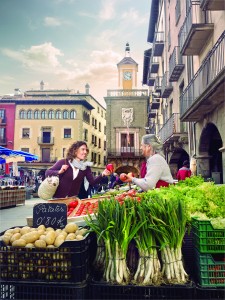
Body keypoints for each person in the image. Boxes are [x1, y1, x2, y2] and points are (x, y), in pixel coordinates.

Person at [45, 141, 112, 198]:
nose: (85, 152)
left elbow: (92, 182)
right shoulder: (64, 162)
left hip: (73, 200)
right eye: (83, 149)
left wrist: (102, 174)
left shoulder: (85, 167)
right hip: (58, 199)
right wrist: (59, 171)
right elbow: (47, 172)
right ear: (75, 151)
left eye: (86, 150)